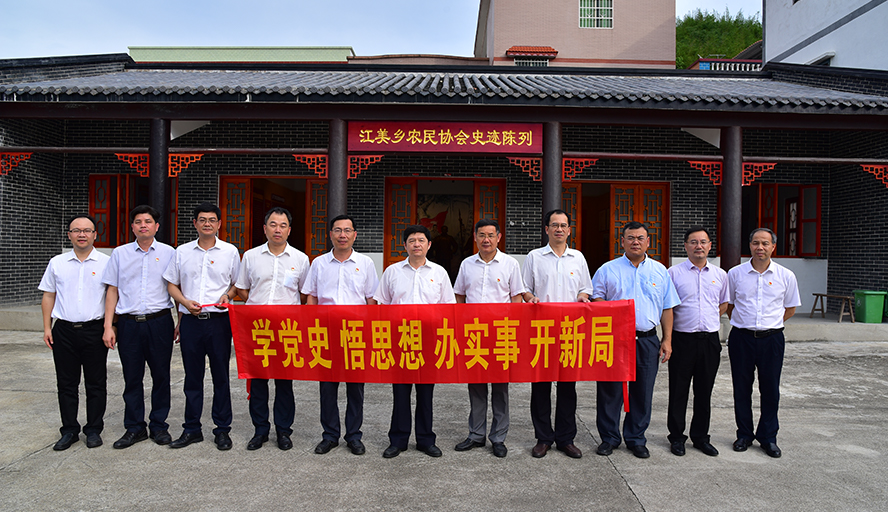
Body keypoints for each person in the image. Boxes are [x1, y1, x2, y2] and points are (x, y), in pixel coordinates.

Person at [593, 221, 680, 459]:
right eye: (630, 238)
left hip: (647, 339)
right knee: (610, 391)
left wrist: (667, 340)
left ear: (648, 242)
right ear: (622, 241)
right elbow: (595, 300)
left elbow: (667, 307)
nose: (635, 242)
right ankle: (609, 438)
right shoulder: (608, 270)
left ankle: (636, 438)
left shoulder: (659, 271)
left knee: (642, 391)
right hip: (613, 339)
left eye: (640, 238)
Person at [373, 225, 456, 458]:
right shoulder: (392, 271)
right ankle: (398, 440)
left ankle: (426, 439)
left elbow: (448, 308)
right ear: (405, 245)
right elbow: (382, 305)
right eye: (412, 240)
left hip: (429, 340)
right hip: (401, 339)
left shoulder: (439, 272)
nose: (416, 244)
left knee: (425, 392)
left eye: (421, 240)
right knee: (400, 392)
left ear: (429, 245)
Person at [163, 203, 240, 450]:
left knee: (221, 377)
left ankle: (222, 430)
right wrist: (184, 304)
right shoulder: (182, 252)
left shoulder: (230, 252)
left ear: (219, 224)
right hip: (191, 323)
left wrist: (228, 296)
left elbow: (237, 284)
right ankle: (191, 429)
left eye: (212, 220)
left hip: (219, 323)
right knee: (192, 378)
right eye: (202, 219)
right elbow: (172, 284)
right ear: (195, 223)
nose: (207, 223)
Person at [303, 214, 380, 456]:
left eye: (347, 230)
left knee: (355, 387)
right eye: (338, 230)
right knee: (327, 387)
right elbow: (311, 296)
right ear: (331, 234)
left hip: (356, 333)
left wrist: (369, 330)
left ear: (355, 235)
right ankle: (330, 435)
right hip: (326, 333)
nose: (342, 235)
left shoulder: (365, 263)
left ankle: (354, 436)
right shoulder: (319, 263)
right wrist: (312, 326)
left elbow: (371, 299)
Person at [234, 207, 309, 451]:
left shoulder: (300, 259)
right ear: (264, 228)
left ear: (289, 230)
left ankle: (284, 431)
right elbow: (242, 288)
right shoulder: (251, 256)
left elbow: (304, 293)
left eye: (283, 225)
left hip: (287, 329)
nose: (278, 229)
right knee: (258, 381)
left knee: (284, 382)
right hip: (257, 329)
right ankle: (260, 430)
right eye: (273, 225)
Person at [102, 205, 176, 449]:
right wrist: (108, 326)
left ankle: (159, 425)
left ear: (157, 226)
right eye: (138, 222)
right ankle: (134, 427)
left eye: (148, 221)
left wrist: (181, 321)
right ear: (132, 227)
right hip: (129, 324)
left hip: (159, 322)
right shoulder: (120, 254)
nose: (143, 225)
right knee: (132, 377)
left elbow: (176, 288)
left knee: (161, 376)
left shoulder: (169, 253)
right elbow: (112, 290)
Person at [522, 209, 593, 459]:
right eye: (554, 225)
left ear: (569, 230)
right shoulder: (534, 257)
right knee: (540, 386)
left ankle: (566, 438)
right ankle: (543, 438)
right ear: (547, 229)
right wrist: (530, 298)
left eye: (563, 225)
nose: (559, 229)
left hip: (570, 332)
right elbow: (524, 289)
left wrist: (583, 296)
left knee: (567, 387)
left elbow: (586, 287)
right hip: (542, 331)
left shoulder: (578, 258)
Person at [452, 219, 526, 458]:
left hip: (501, 334)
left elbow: (516, 298)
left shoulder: (510, 264)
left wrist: (514, 331)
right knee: (476, 386)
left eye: (491, 235)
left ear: (499, 237)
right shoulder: (467, 264)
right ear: (475, 237)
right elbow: (459, 296)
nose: (486, 240)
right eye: (482, 235)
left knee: (500, 387)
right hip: (474, 334)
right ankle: (476, 434)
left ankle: (498, 437)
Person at [727, 227, 801, 458]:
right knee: (741, 388)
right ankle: (744, 434)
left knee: (770, 389)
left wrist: (770, 324)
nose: (760, 247)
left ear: (773, 247)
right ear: (750, 246)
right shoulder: (735, 274)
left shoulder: (786, 276)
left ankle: (768, 437)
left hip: (772, 339)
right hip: (741, 338)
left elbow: (790, 308)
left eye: (765, 243)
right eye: (755, 243)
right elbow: (729, 305)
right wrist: (745, 323)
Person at [39, 215, 110, 450]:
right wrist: (47, 327)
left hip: (94, 330)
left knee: (96, 383)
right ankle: (69, 430)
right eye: (76, 230)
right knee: (66, 383)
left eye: (87, 230)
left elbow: (113, 296)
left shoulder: (106, 262)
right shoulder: (57, 263)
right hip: (64, 330)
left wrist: (110, 327)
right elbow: (48, 295)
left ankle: (93, 429)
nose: (82, 234)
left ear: (95, 235)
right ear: (69, 235)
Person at [666, 226, 727, 457]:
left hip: (709, 340)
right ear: (685, 246)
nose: (698, 246)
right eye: (693, 242)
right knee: (678, 390)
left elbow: (723, 304)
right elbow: (668, 307)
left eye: (703, 242)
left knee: (704, 391)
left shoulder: (720, 275)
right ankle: (676, 437)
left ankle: (701, 437)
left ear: (710, 246)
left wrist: (707, 319)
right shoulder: (673, 273)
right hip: (682, 339)